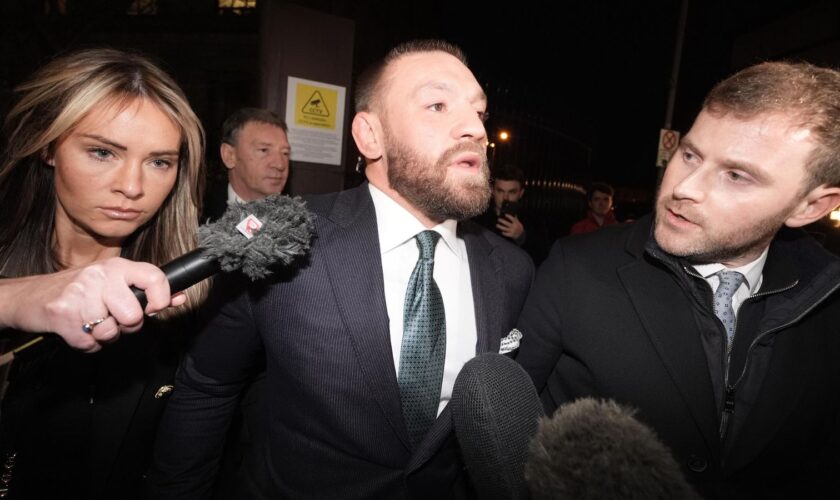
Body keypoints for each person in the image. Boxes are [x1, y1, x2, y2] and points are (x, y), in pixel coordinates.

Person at [149, 39, 534, 498]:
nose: (474, 128)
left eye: (479, 113)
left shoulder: (512, 270)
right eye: (437, 104)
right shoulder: (282, 237)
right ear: (370, 136)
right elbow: (209, 388)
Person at [515, 60, 840, 498]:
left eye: (736, 176)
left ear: (810, 207)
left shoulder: (829, 301)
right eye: (689, 155)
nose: (686, 187)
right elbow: (510, 431)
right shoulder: (577, 267)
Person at [0, 47, 208, 499]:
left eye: (159, 162)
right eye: (102, 152)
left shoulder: (193, 302)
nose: (132, 187)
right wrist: (14, 300)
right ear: (49, 146)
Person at [201, 108, 290, 222]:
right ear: (229, 155)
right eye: (264, 150)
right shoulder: (194, 216)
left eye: (285, 153)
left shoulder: (302, 223)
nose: (279, 164)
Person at [473, 163, 549, 265]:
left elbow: (543, 258)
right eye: (500, 191)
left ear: (521, 193)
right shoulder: (477, 218)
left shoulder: (534, 221)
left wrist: (522, 236)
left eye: (512, 192)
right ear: (492, 191)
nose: (506, 198)